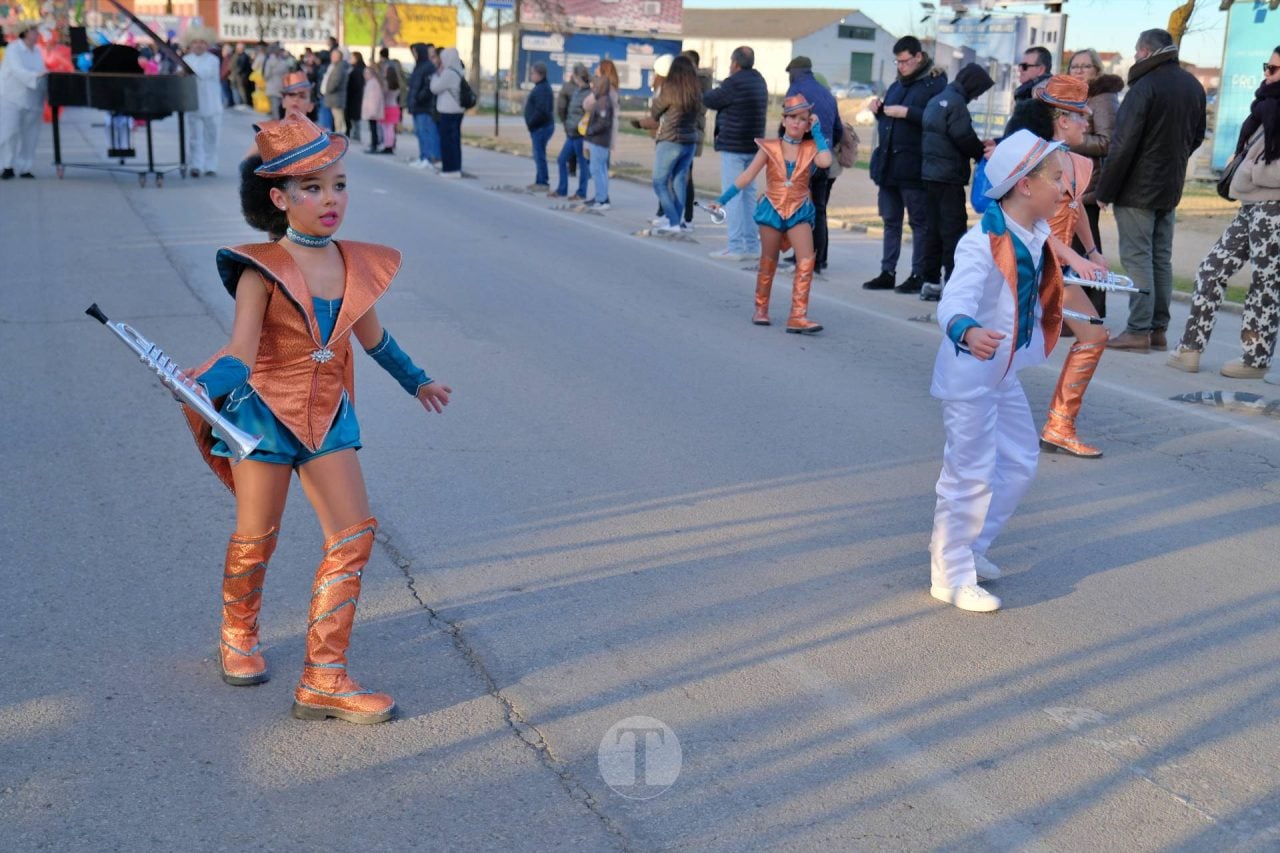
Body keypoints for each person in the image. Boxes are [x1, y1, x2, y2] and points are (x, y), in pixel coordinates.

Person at [185, 114, 452, 724]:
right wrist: (198, 386)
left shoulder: (356, 264)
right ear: (279, 198)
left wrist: (419, 381)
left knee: (354, 535)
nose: (330, 200)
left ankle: (324, 677)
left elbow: (377, 341)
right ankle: (238, 632)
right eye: (312, 188)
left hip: (328, 415)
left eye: (338, 184)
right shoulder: (261, 268)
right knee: (257, 538)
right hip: (265, 416)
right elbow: (240, 355)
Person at [927, 130, 1066, 613]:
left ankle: (970, 547)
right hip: (971, 372)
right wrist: (966, 330)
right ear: (1024, 186)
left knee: (1021, 461)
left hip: (1001, 371)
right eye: (1056, 178)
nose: (1064, 188)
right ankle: (951, 573)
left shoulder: (1035, 233)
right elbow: (954, 302)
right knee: (969, 473)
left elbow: (1048, 279)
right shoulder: (981, 241)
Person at [1006, 77, 1111, 457]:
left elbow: (1076, 205)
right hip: (1026, 262)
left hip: (1057, 265)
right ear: (1062, 119)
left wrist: (1093, 251)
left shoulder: (1074, 160)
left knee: (1094, 336)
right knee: (998, 347)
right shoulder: (1033, 158)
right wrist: (1075, 259)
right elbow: (1031, 225)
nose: (1088, 124)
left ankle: (1059, 426)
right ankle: (982, 420)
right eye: (1082, 116)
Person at [1168, 48, 1280, 379]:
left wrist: (1247, 172)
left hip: (1273, 209)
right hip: (1252, 207)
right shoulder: (1267, 109)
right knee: (1210, 270)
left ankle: (1255, 359)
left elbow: (1267, 168)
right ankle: (1190, 348)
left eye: (1274, 69)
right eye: (1267, 66)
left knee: (1265, 282)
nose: (1267, 74)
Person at [1096, 28, 1206, 353]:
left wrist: (1105, 189)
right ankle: (1158, 330)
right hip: (1170, 185)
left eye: (1134, 51)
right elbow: (1196, 136)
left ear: (1145, 51)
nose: (1132, 57)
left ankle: (1137, 330)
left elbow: (1123, 143)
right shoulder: (1193, 85)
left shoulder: (1144, 87)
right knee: (1161, 258)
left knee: (1138, 258)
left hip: (1136, 189)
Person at [708, 94, 833, 333]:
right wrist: (721, 200)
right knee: (769, 261)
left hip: (799, 209)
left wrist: (817, 131)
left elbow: (826, 161)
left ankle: (797, 316)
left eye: (803, 119)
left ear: (808, 123)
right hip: (772, 208)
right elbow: (747, 176)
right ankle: (761, 308)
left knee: (806, 260)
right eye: (793, 117)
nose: (797, 123)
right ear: (784, 120)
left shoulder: (811, 148)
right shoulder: (769, 147)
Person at [863, 37, 946, 291]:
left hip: (914, 166)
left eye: (905, 61)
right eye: (897, 61)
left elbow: (938, 120)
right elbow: (887, 120)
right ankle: (887, 271)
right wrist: (879, 109)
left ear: (918, 57)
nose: (900, 66)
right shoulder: (897, 85)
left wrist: (907, 113)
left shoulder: (935, 84)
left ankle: (918, 274)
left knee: (919, 223)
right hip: (889, 164)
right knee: (891, 220)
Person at [919, 62, 995, 301]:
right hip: (949, 177)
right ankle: (953, 283)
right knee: (953, 231)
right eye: (979, 90)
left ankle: (930, 282)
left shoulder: (938, 99)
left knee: (932, 230)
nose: (978, 95)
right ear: (973, 85)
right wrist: (979, 151)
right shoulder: (957, 104)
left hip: (929, 174)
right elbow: (962, 135)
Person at [1066, 48, 1123, 319]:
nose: (1078, 71)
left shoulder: (1102, 98)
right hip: (1071, 178)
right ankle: (1079, 310)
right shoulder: (1076, 95)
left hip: (1089, 182)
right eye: (1074, 66)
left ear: (1097, 70)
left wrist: (1071, 140)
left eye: (1085, 66)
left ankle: (1092, 312)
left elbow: (1107, 142)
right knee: (1075, 248)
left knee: (1088, 249)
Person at [702, 45, 768, 261]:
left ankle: (735, 246)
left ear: (735, 63)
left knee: (733, 196)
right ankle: (751, 245)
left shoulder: (733, 83)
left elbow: (710, 100)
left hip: (734, 146)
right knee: (749, 196)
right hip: (754, 145)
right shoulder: (760, 81)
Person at [784, 55, 845, 275]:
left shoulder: (796, 92)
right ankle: (818, 261)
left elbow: (790, 128)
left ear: (794, 72)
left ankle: (802, 258)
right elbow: (839, 130)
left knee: (799, 208)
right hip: (823, 157)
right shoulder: (828, 94)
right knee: (818, 209)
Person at [639, 55, 701, 233]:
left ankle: (673, 221)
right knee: (679, 181)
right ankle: (676, 221)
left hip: (670, 140)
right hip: (689, 141)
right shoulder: (695, 90)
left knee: (660, 182)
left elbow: (655, 111)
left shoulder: (669, 89)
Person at [0, 20, 47, 180]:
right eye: (34, 30)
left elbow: (41, 69)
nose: (37, 33)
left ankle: (25, 166)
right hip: (11, 97)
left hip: (33, 98)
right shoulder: (14, 49)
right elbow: (18, 70)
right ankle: (7, 166)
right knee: (9, 132)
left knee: (30, 134)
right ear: (25, 32)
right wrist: (36, 75)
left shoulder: (37, 50)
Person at [180, 27, 224, 178]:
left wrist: (184, 71)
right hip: (193, 105)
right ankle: (196, 165)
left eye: (202, 42)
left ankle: (210, 166)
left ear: (207, 45)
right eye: (195, 42)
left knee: (211, 137)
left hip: (212, 105)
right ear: (190, 44)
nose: (198, 45)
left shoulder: (213, 60)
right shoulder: (185, 60)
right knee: (194, 138)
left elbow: (202, 73)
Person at [550, 63, 591, 200]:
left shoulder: (588, 93)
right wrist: (567, 125)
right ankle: (562, 189)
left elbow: (587, 114)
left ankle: (581, 192)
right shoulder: (577, 91)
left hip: (580, 134)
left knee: (582, 163)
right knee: (561, 159)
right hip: (571, 132)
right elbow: (567, 110)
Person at [430, 47, 466, 178]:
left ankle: (450, 169)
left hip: (448, 111)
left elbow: (434, 88)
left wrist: (435, 75)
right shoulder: (459, 70)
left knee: (447, 142)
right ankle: (455, 167)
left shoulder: (448, 73)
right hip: (458, 111)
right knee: (454, 141)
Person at [583, 73, 614, 209]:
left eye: (595, 86)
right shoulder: (604, 100)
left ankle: (601, 199)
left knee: (597, 170)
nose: (592, 88)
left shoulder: (603, 102)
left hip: (598, 141)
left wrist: (590, 131)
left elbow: (603, 122)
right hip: (600, 140)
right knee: (600, 170)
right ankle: (601, 197)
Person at [407, 43, 440, 170]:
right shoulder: (418, 66)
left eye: (415, 52)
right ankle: (422, 157)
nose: (414, 55)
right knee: (419, 132)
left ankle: (428, 158)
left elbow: (428, 87)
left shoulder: (428, 67)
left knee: (425, 132)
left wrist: (419, 98)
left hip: (423, 106)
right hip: (416, 106)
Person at [523, 61, 554, 190]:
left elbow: (541, 110)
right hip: (539, 127)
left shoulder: (542, 89)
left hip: (541, 127)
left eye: (533, 73)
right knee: (538, 154)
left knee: (539, 155)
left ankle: (543, 182)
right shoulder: (540, 87)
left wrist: (531, 123)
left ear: (539, 74)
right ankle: (539, 180)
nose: (531, 75)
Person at [320, 48, 348, 135]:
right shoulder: (335, 66)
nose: (331, 57)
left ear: (338, 57)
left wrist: (327, 90)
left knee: (338, 119)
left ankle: (340, 136)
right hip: (333, 97)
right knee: (337, 118)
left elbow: (335, 82)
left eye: (333, 55)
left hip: (336, 97)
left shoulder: (339, 67)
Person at [376, 51, 399, 155]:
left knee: (386, 129)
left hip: (387, 108)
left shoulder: (386, 84)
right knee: (390, 128)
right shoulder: (396, 84)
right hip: (394, 107)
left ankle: (387, 146)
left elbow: (383, 95)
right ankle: (390, 144)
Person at [361, 62, 385, 153]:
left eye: (366, 73)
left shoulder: (373, 83)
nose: (365, 75)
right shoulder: (370, 82)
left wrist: (373, 111)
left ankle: (374, 145)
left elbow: (375, 98)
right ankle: (373, 144)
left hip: (372, 111)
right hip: (370, 110)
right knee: (372, 128)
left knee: (374, 129)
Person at [263, 45, 288, 118]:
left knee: (274, 109)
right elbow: (286, 75)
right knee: (277, 108)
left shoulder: (269, 62)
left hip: (271, 87)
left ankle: (275, 126)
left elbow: (266, 75)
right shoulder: (283, 63)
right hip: (281, 88)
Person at [345, 51, 366, 141]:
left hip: (354, 96)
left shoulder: (357, 70)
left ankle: (356, 133)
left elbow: (355, 84)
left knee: (353, 115)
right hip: (356, 95)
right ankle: (355, 133)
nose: (350, 59)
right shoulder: (357, 68)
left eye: (352, 57)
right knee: (354, 115)